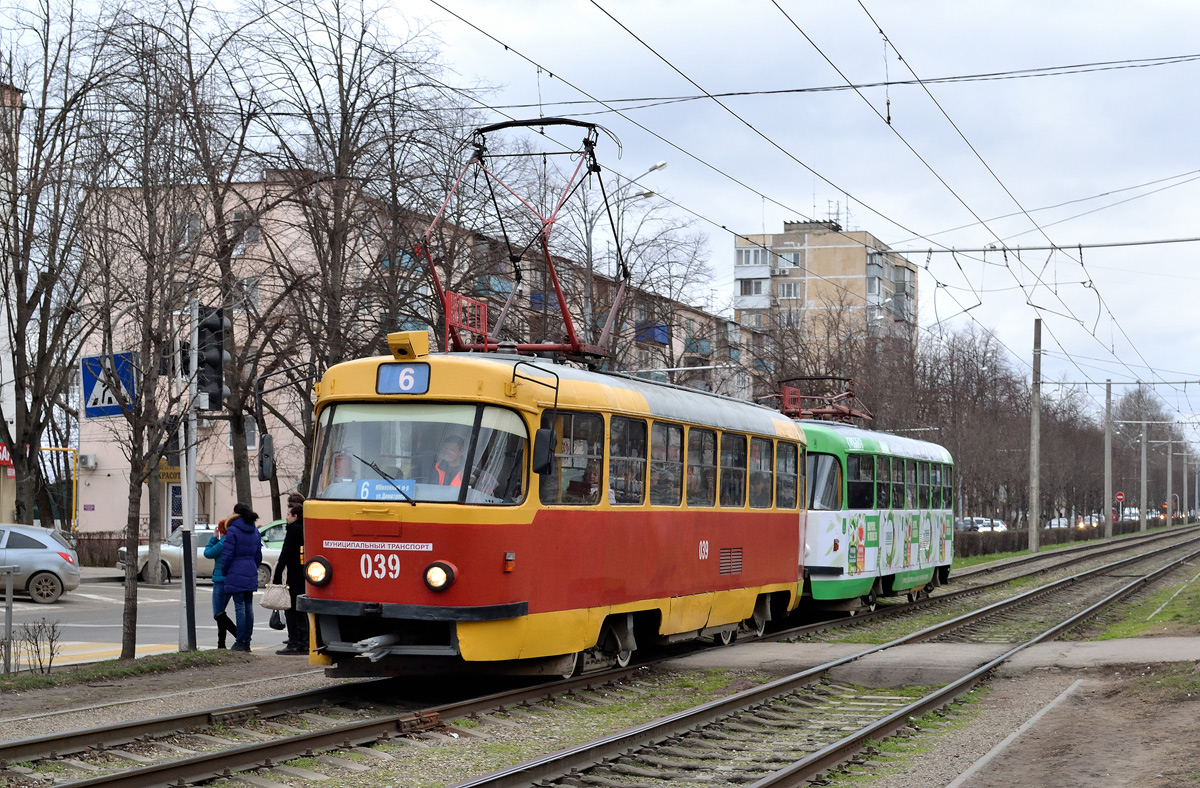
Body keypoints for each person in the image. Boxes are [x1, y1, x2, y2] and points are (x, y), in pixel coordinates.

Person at [220, 502, 263, 653]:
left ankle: (239, 642)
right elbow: (258, 555)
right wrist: (252, 566)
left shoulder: (232, 530)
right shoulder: (255, 531)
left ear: (235, 513)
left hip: (235, 570)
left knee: (239, 607)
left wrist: (224, 570)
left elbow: (227, 555)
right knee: (249, 607)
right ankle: (247, 641)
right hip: (250, 569)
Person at [273, 502, 308, 655]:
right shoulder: (306, 528)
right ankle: (305, 641)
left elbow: (286, 553)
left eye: (288, 514)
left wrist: (277, 575)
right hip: (305, 574)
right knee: (302, 610)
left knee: (291, 609)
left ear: (295, 516)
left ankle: (294, 642)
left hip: (294, 574)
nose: (286, 517)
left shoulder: (293, 530)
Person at [203, 518, 237, 649]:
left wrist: (213, 538)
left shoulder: (223, 542)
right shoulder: (232, 541)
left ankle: (238, 634)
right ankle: (221, 643)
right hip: (230, 579)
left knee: (218, 613)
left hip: (220, 580)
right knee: (221, 612)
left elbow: (208, 553)